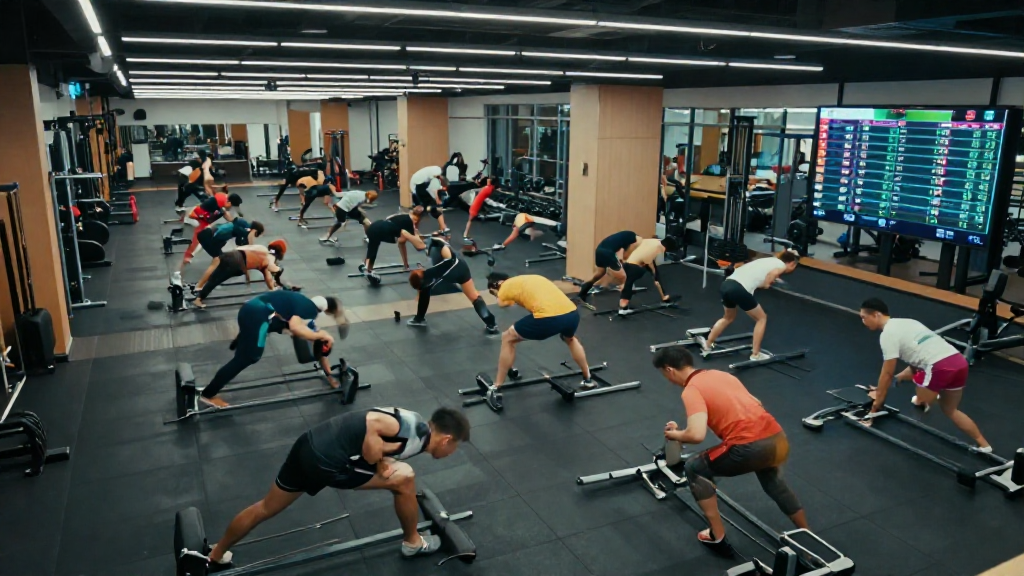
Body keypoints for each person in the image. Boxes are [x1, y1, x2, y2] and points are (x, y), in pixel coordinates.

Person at [205, 407, 471, 566]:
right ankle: (413, 542)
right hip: (326, 461)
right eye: (455, 447)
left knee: (266, 507)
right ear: (447, 439)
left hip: (308, 444)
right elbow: (372, 429)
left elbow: (375, 438)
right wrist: (377, 462)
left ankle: (215, 554)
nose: (451, 452)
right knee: (405, 479)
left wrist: (380, 462)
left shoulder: (416, 425)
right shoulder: (409, 429)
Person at [652, 346, 807, 545]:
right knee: (774, 483)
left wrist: (674, 434)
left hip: (748, 447)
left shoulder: (691, 390)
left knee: (693, 468)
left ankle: (717, 535)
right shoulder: (721, 375)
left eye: (664, 375)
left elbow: (696, 435)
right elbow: (755, 402)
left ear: (669, 370)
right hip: (777, 438)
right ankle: (806, 533)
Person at [859, 298, 991, 451]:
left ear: (876, 314)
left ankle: (926, 398)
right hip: (959, 362)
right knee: (950, 410)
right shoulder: (909, 322)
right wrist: (895, 380)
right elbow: (914, 364)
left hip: (939, 367)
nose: (863, 321)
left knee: (922, 388)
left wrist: (875, 408)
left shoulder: (887, 335)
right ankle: (984, 445)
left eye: (864, 317)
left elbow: (886, 373)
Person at [199, 291, 345, 408]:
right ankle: (208, 394)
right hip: (257, 315)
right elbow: (298, 329)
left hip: (249, 308)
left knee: (248, 350)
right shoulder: (308, 310)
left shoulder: (299, 300)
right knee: (249, 357)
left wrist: (329, 375)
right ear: (323, 311)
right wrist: (322, 335)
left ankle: (240, 347)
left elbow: (313, 341)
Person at [486, 272, 594, 389]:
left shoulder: (505, 287)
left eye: (492, 292)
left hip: (549, 318)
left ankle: (497, 386)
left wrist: (498, 294)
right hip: (571, 313)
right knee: (570, 339)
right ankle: (588, 378)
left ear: (499, 283)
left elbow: (502, 303)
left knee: (507, 338)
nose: (494, 295)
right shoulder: (529, 278)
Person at [698, 250, 800, 362]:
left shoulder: (767, 260)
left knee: (728, 318)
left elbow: (758, 274)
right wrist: (767, 284)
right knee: (761, 318)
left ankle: (707, 345)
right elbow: (771, 275)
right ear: (791, 263)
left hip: (727, 285)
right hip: (739, 289)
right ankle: (755, 354)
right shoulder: (781, 265)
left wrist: (767, 281)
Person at [407, 237, 498, 334]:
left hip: (451, 271)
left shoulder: (429, 273)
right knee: (474, 296)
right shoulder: (434, 245)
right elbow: (448, 256)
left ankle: (419, 318)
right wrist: (442, 242)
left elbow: (422, 285)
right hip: (461, 268)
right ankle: (491, 323)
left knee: (425, 289)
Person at [192, 240, 290, 309]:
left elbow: (241, 249)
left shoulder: (261, 248)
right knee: (218, 278)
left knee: (214, 279)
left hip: (230, 254)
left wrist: (273, 287)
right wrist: (279, 270)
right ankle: (199, 298)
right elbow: (271, 269)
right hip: (237, 263)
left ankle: (199, 297)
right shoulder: (270, 257)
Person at [193, 219, 265, 292]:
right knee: (217, 260)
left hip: (209, 236)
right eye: (256, 234)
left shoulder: (243, 225)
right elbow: (248, 244)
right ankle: (199, 286)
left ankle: (210, 282)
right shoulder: (246, 231)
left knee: (221, 260)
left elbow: (241, 248)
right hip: (207, 236)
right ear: (255, 231)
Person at [179, 188, 242, 269]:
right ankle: (187, 258)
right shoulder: (220, 201)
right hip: (195, 218)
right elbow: (224, 212)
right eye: (231, 206)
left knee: (208, 237)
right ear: (228, 202)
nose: (231, 208)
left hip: (201, 218)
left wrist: (235, 222)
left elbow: (225, 213)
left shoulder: (223, 201)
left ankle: (192, 255)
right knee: (200, 239)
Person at [617, 237, 678, 315]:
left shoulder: (653, 241)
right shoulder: (660, 248)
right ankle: (623, 307)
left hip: (628, 264)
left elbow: (647, 256)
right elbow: (649, 263)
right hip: (636, 267)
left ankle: (664, 296)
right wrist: (655, 274)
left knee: (629, 281)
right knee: (630, 281)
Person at [577, 231, 643, 301]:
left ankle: (582, 292)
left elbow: (624, 256)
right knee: (624, 277)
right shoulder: (637, 239)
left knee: (599, 273)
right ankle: (624, 305)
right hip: (608, 252)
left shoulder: (627, 236)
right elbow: (627, 256)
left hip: (599, 250)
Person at [362, 211, 426, 283]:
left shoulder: (403, 216)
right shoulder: (410, 223)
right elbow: (418, 246)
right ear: (416, 219)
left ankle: (366, 266)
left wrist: (406, 265)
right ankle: (369, 270)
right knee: (400, 236)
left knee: (373, 247)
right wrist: (421, 241)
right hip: (381, 229)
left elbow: (401, 243)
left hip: (374, 225)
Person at [409, 165, 449, 234]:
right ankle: (443, 227)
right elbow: (434, 189)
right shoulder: (436, 173)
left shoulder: (436, 172)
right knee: (429, 209)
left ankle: (443, 227)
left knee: (426, 209)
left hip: (418, 185)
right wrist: (437, 200)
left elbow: (434, 188)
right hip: (417, 186)